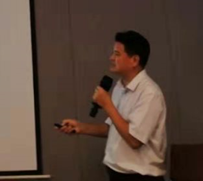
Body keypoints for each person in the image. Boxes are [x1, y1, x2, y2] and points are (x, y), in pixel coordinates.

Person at [57, 31, 167, 180]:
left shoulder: (150, 93)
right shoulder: (119, 87)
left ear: (134, 60)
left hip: (140, 176)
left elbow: (134, 140)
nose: (111, 58)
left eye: (117, 54)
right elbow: (113, 128)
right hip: (115, 174)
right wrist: (81, 127)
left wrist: (107, 104)